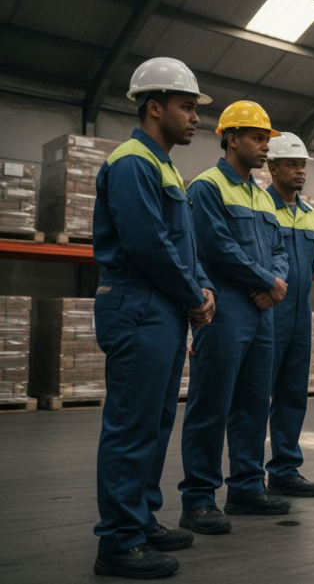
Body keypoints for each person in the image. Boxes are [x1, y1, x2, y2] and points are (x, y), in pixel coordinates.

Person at [92, 57, 215, 579]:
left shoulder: (164, 166)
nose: (195, 118)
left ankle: (141, 520)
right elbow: (147, 244)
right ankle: (118, 542)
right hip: (138, 306)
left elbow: (180, 245)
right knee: (131, 427)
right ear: (154, 106)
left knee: (156, 424)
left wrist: (199, 286)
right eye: (186, 107)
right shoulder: (131, 162)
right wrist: (194, 293)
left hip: (162, 310)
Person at [178, 101, 291, 534]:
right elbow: (215, 246)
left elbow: (278, 248)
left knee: (251, 406)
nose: (265, 147)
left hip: (262, 313)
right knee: (211, 405)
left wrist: (275, 282)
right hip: (224, 311)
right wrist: (268, 282)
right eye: (258, 138)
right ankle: (199, 499)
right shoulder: (206, 187)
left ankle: (245, 486)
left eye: (266, 139)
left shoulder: (262, 197)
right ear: (230, 138)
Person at [264, 132, 314, 497]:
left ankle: (284, 470)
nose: (300, 171)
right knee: (256, 397)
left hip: (300, 316)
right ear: (272, 167)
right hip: (269, 313)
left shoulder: (311, 216)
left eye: (302, 165)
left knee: (293, 395)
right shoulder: (261, 206)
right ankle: (248, 475)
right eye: (292, 164)